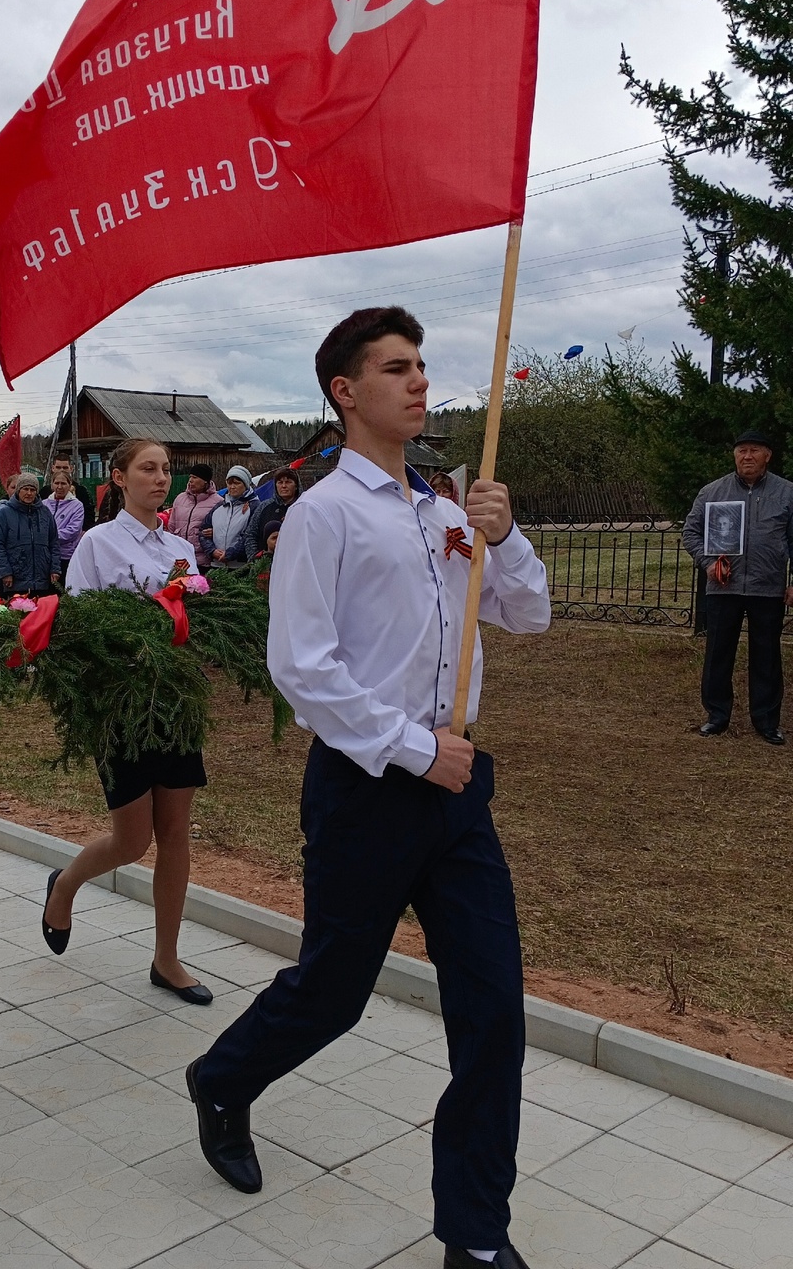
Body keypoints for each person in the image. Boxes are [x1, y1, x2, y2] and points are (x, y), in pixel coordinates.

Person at [184, 307, 550, 1269]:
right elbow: (302, 665)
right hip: (365, 787)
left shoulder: (445, 508)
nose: (419, 381)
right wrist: (408, 747)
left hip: (457, 793)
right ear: (346, 393)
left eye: (422, 365)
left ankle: (474, 1235)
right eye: (397, 368)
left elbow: (528, 615)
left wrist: (503, 539)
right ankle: (222, 1080)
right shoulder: (322, 514)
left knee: (494, 1012)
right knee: (333, 993)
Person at [42, 438, 212, 1004]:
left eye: (165, 469)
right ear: (118, 477)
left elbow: (194, 611)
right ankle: (64, 884)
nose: (160, 478)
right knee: (132, 840)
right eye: (147, 469)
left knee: (175, 836)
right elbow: (81, 624)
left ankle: (167, 959)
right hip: (122, 707)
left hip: (175, 704)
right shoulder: (98, 543)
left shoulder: (179, 545)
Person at [682, 430, 793, 745]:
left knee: (766, 655)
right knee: (718, 654)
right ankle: (717, 716)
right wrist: (707, 563)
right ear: (734, 455)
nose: (747, 456)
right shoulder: (713, 492)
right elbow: (691, 532)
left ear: (767, 455)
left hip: (766, 588)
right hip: (723, 588)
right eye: (742, 451)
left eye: (755, 450)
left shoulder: (789, 494)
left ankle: (766, 721)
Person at [0, 473, 60, 599]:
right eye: (25, 489)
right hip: (15, 579)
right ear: (18, 490)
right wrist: (5, 572)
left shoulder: (45, 513)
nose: (29, 493)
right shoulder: (5, 513)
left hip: (42, 579)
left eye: (32, 490)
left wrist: (55, 569)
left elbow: (54, 543)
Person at [166, 463, 221, 570]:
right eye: (190, 477)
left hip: (203, 561)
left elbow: (224, 529)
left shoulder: (218, 502)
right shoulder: (180, 499)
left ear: (205, 481)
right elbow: (171, 527)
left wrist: (215, 532)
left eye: (195, 477)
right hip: (180, 559)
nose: (190, 480)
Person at [201, 466, 258, 571]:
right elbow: (203, 532)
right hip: (216, 565)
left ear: (245, 485)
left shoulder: (254, 507)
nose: (232, 487)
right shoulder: (219, 507)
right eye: (229, 483)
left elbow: (250, 535)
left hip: (241, 566)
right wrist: (212, 551)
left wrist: (231, 553)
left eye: (236, 483)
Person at [244, 466, 302, 560]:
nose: (283, 486)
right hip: (264, 565)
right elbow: (250, 534)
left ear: (296, 486)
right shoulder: (264, 507)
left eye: (288, 482)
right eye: (280, 482)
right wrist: (254, 559)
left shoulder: (303, 507)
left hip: (295, 563)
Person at [41, 469, 84, 581]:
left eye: (63, 483)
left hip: (66, 556)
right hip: (45, 556)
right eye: (57, 483)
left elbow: (73, 531)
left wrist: (50, 537)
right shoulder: (43, 504)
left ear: (70, 485)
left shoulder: (77, 506)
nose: (60, 486)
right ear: (52, 485)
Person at [50, 454, 96, 531]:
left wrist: (85, 532)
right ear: (53, 468)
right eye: (58, 467)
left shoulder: (82, 491)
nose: (61, 470)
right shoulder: (44, 492)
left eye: (65, 468)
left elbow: (89, 515)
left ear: (71, 468)